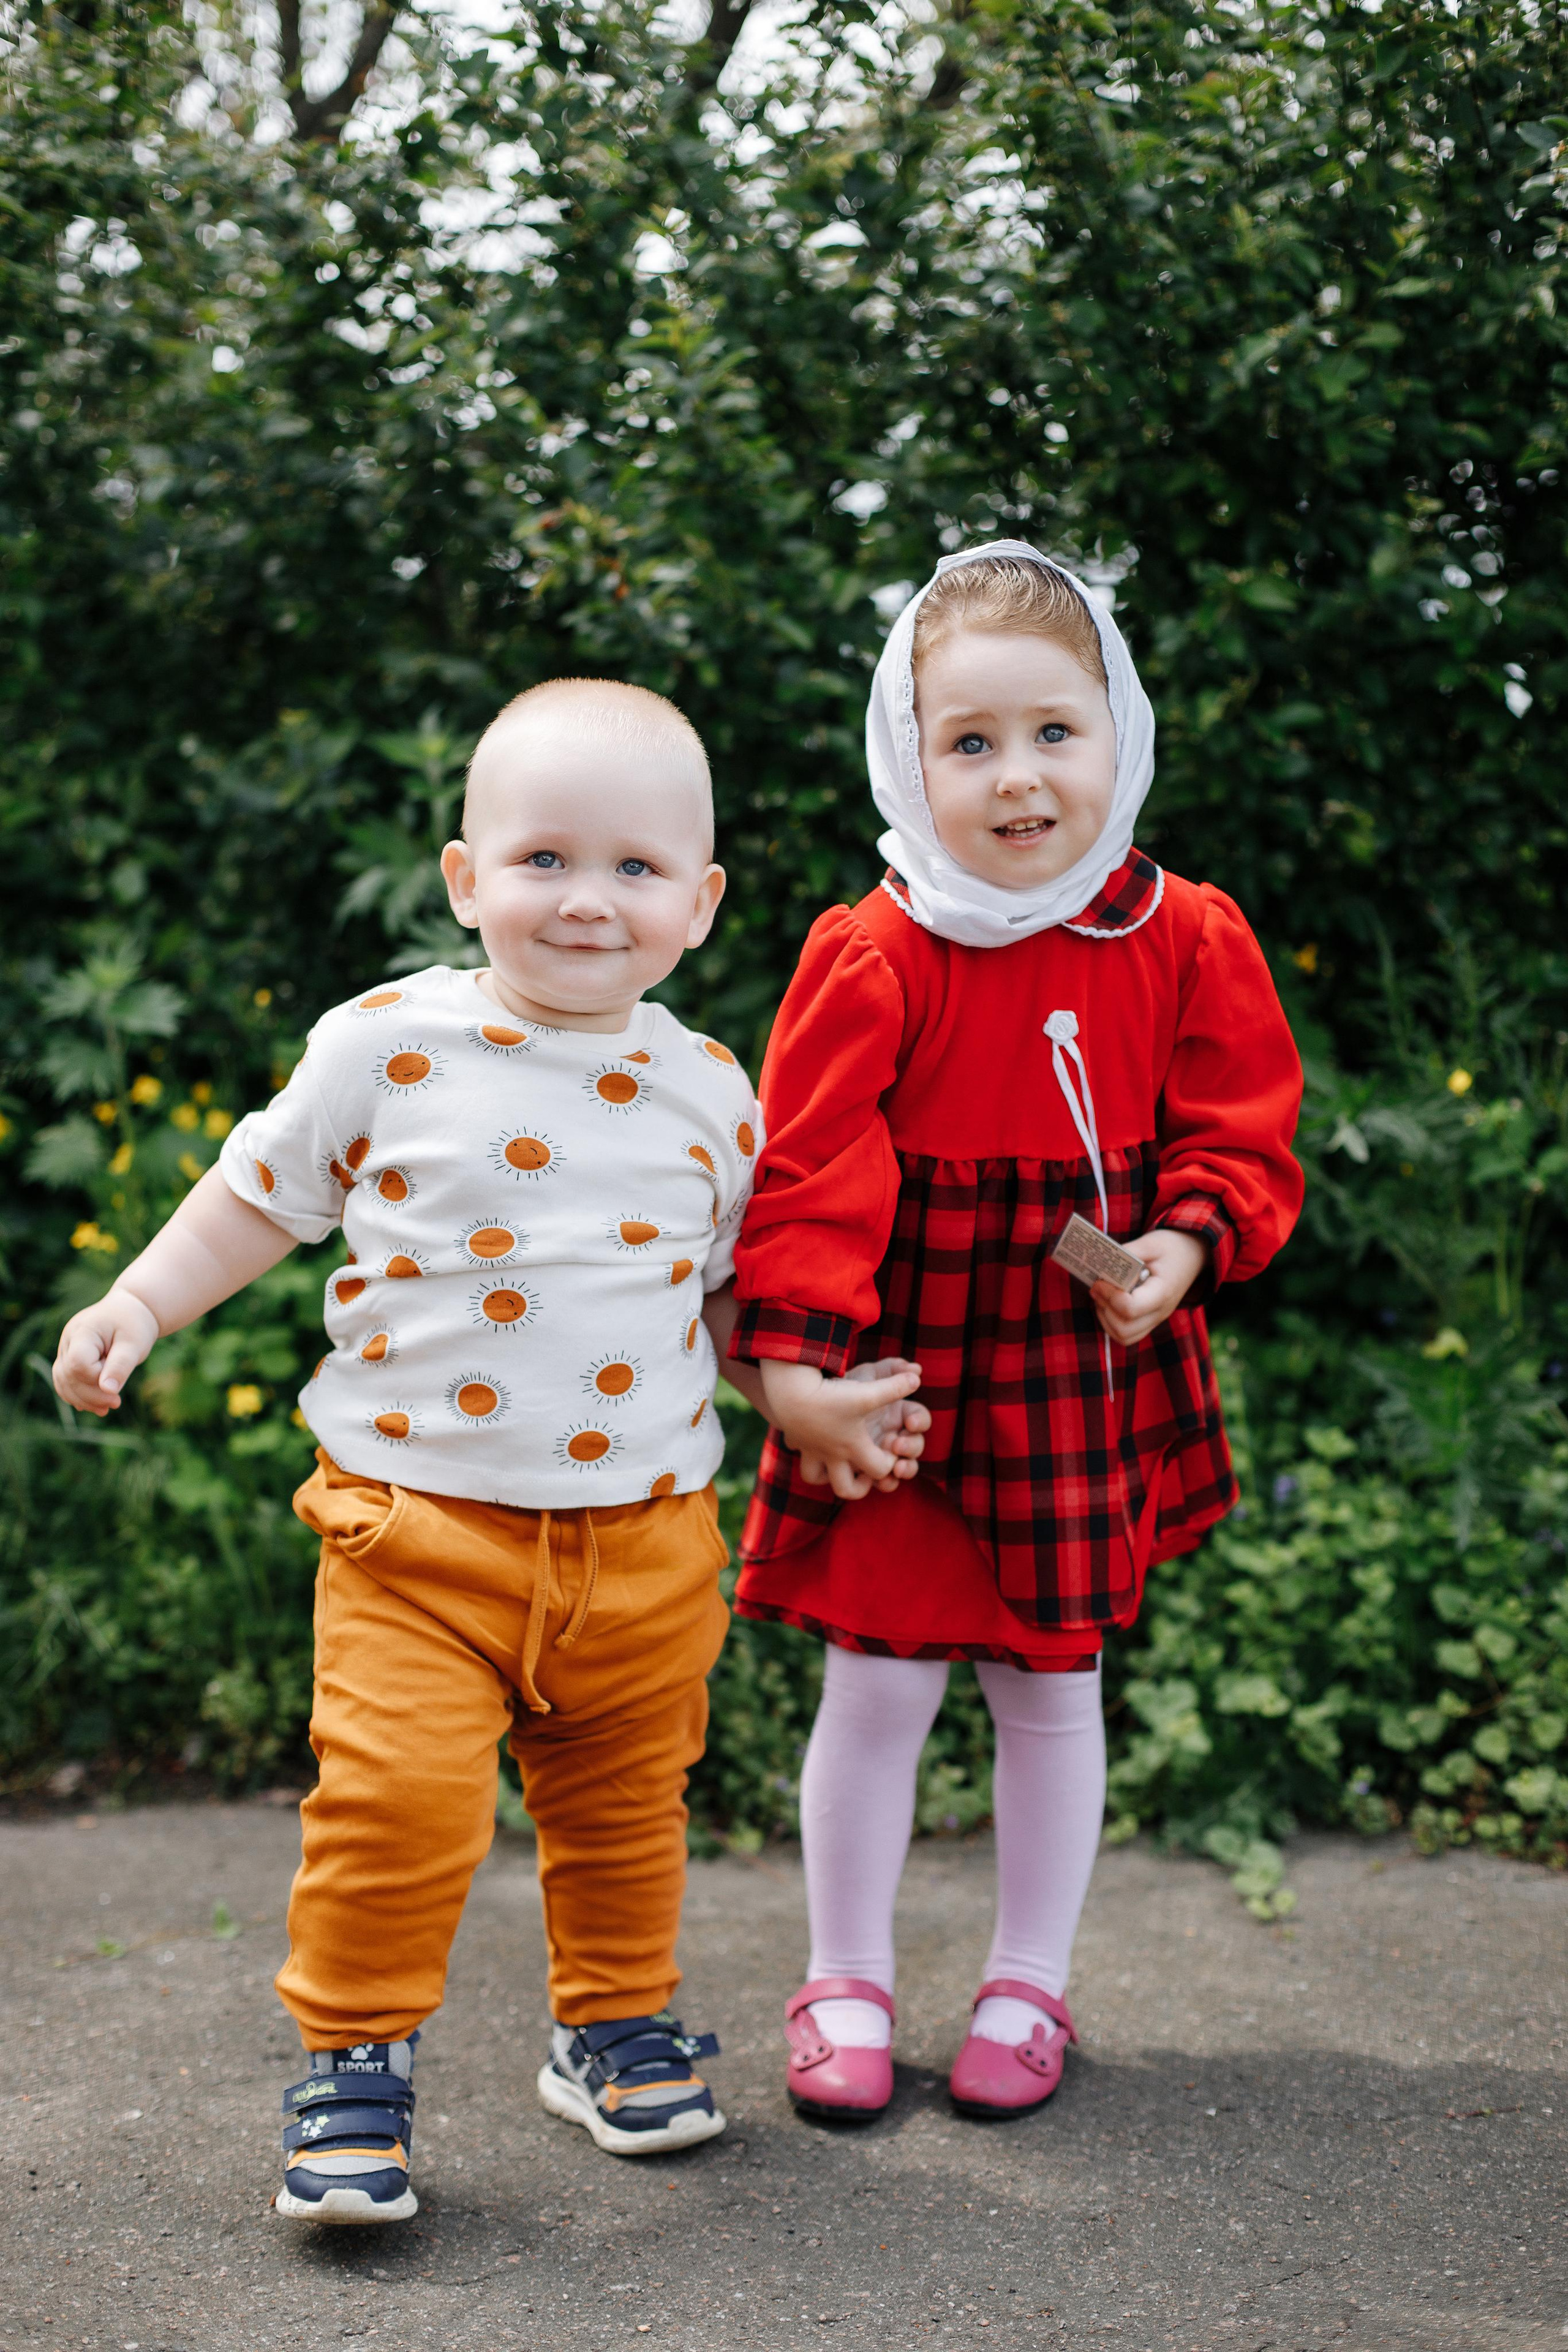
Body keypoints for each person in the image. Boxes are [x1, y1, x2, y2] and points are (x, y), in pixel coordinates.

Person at [51, 676, 926, 2223]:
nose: (587, 902)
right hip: (416, 1536)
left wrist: (801, 1398)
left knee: (624, 1811)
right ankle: (354, 2065)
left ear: (701, 903)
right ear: (466, 878)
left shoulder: (718, 1094)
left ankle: (610, 2029)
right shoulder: (389, 1043)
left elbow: (724, 1300)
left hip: (645, 1544)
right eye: (542, 861)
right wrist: (140, 1300)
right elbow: (261, 1194)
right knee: (395, 1807)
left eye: (636, 870)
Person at [728, 544, 1305, 2122]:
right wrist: (796, 1377)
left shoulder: (1180, 933)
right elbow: (811, 1167)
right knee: (877, 1681)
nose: (1017, 776)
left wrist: (1184, 1244)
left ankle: (1026, 1985)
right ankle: (842, 1977)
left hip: (1072, 1351)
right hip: (903, 1366)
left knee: (1053, 1679)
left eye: (1054, 732)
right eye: (967, 743)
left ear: (1116, 732)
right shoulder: (877, 945)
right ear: (907, 761)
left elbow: (1239, 1124)